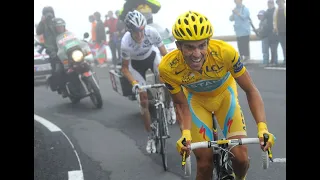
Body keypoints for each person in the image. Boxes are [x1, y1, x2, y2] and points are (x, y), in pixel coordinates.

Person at [158, 11, 275, 180]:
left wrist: (262, 127)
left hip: (224, 97)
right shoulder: (168, 67)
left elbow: (250, 90)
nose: (197, 54)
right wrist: (185, 134)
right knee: (204, 164)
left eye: (201, 46)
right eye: (190, 47)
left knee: (241, 159)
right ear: (178, 46)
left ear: (208, 43)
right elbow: (180, 104)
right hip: (196, 102)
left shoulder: (225, 53)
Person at [120, 10, 176, 153]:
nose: (139, 35)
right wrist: (134, 84)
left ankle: (169, 106)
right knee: (143, 100)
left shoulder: (152, 33)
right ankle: (150, 136)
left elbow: (165, 55)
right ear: (129, 30)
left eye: (142, 30)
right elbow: (125, 69)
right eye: (136, 32)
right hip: (136, 66)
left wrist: (173, 70)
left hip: (152, 58)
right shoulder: (125, 42)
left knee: (165, 77)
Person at [36, 7, 66, 96]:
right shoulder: (43, 25)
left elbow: (65, 31)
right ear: (43, 14)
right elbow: (38, 32)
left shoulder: (57, 21)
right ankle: (62, 88)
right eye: (46, 13)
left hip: (63, 47)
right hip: (52, 51)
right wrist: (42, 22)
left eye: (50, 12)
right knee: (57, 70)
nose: (49, 14)